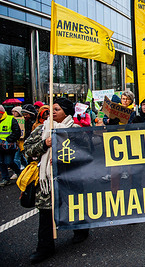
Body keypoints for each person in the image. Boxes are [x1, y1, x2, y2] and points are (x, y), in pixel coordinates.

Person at [23, 98, 90, 263]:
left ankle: (81, 229)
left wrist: (64, 157)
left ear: (66, 112)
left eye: (57, 109)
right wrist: (45, 144)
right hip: (47, 179)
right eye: (51, 109)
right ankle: (45, 247)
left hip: (70, 177)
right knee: (46, 214)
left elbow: (87, 151)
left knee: (75, 205)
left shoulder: (75, 130)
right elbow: (27, 150)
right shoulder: (42, 129)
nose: (52, 112)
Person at [0, 105, 22, 186]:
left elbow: (17, 132)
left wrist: (8, 140)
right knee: (1, 163)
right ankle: (5, 178)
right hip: (2, 146)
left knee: (8, 162)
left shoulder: (11, 119)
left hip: (8, 146)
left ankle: (18, 173)